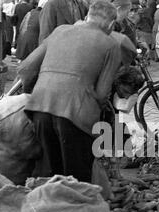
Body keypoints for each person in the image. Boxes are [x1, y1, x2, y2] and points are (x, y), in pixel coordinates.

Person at [18, 0, 122, 182]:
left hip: (40, 108)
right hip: (75, 115)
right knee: (76, 180)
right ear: (111, 24)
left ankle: (44, 207)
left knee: (48, 174)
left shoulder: (60, 31)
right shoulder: (111, 44)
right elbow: (101, 93)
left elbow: (26, 68)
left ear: (87, 16)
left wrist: (33, 94)